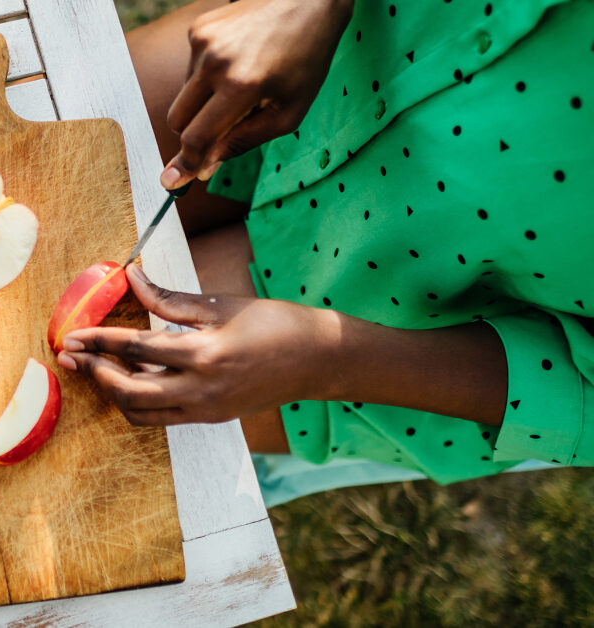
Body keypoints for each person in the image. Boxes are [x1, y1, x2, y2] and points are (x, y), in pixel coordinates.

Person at [54, 0, 594, 484]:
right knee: (52, 149)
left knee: (73, 415)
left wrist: (327, 362)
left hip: (389, 321)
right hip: (338, 53)